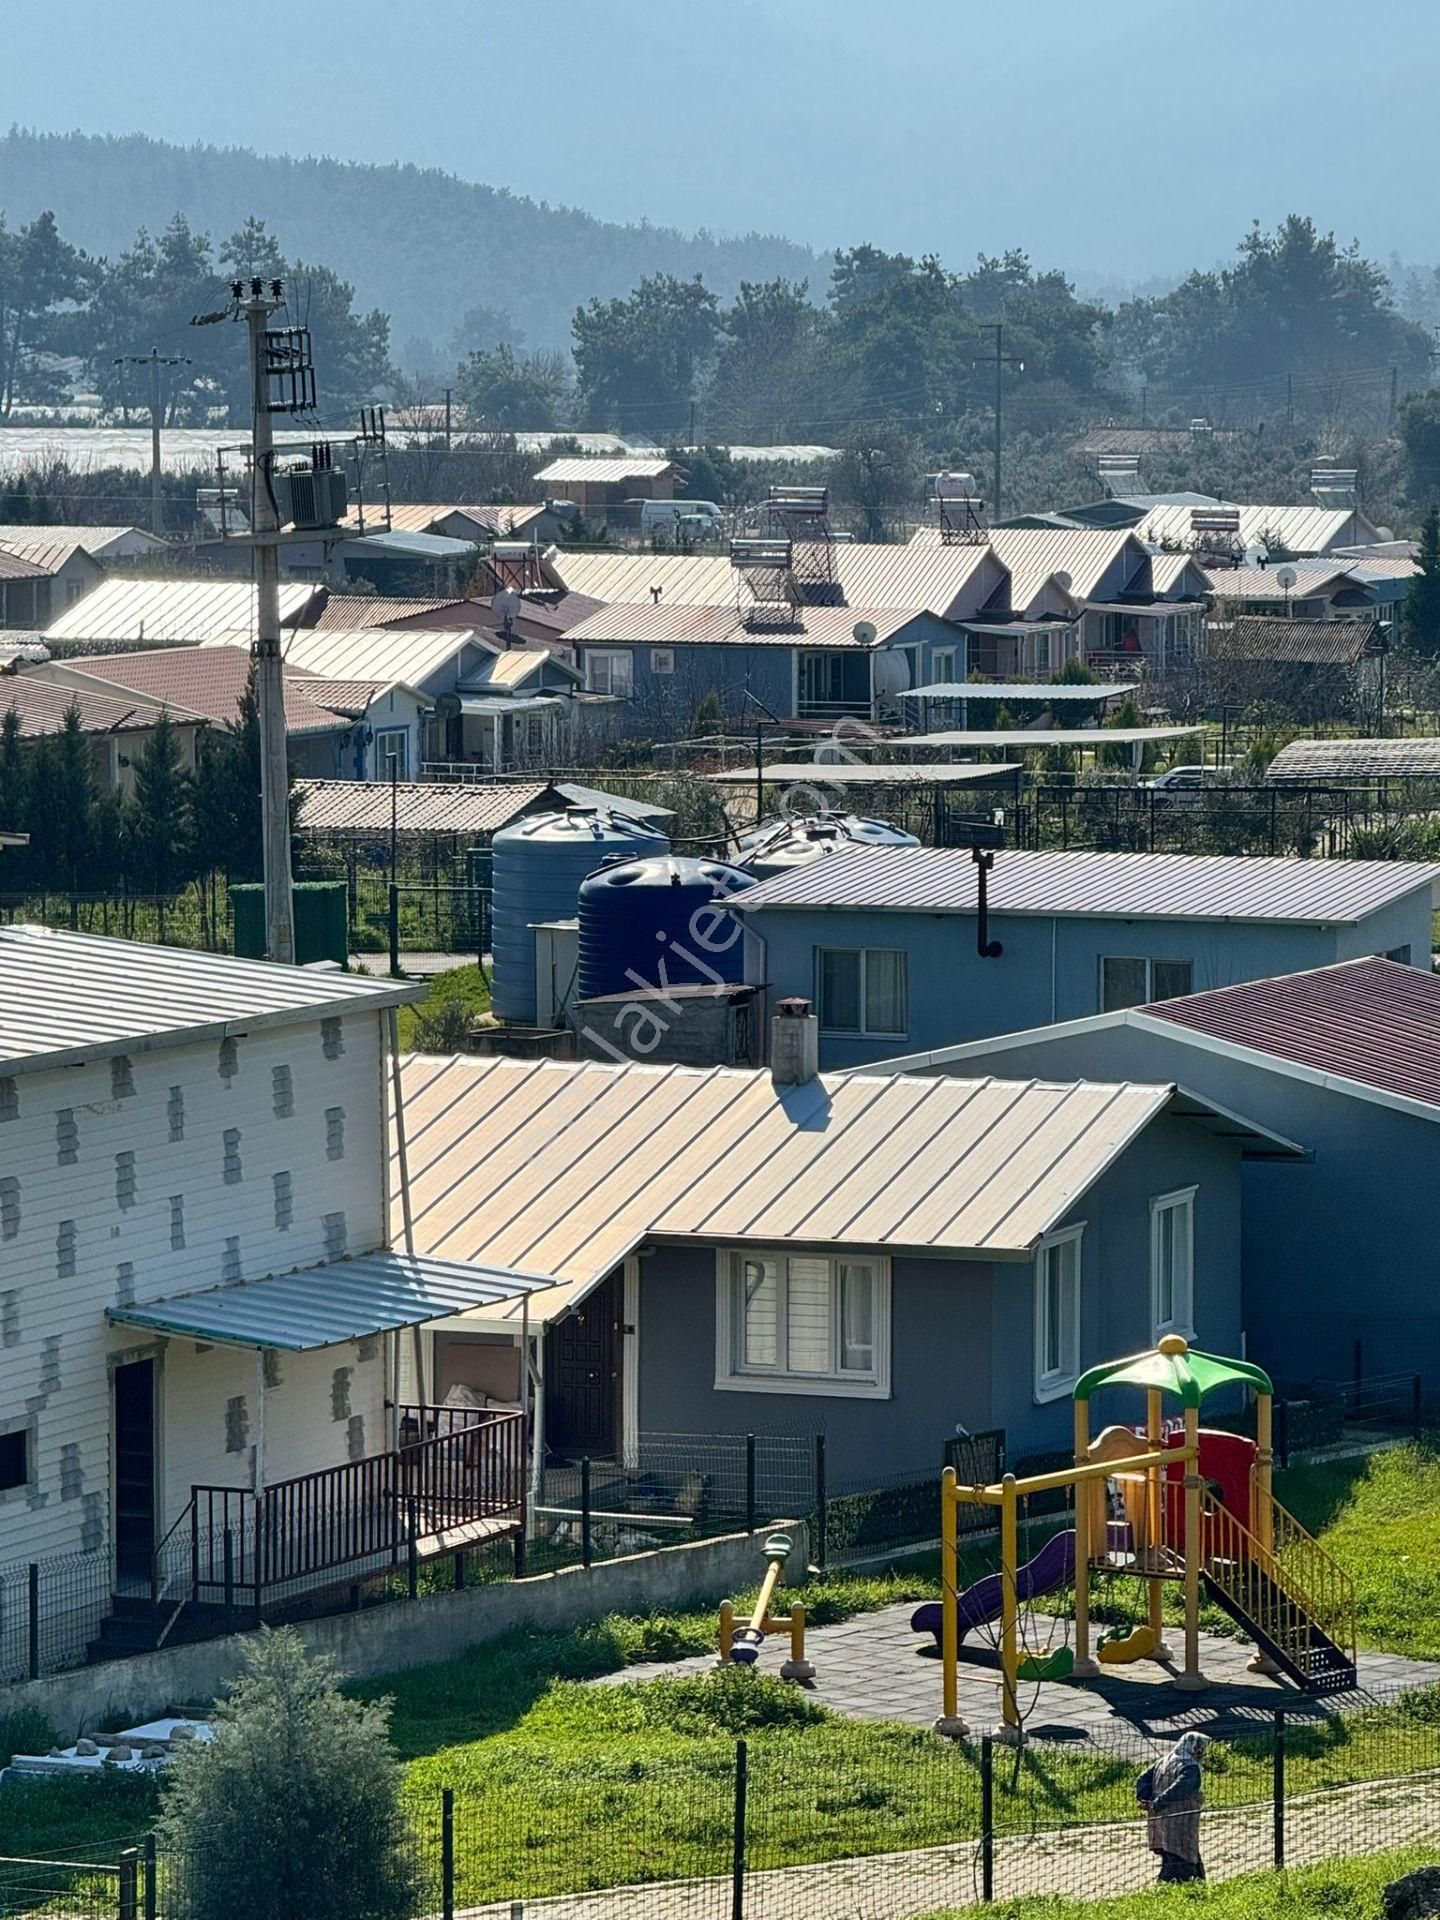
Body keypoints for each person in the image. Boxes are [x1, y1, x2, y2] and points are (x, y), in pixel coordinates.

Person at [1136, 1732, 1210, 1883]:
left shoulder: (1163, 1761)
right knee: (1183, 1851)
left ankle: (1196, 1880)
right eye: (1199, 1748)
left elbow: (1142, 1779)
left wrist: (1147, 1799)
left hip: (1159, 1816)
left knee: (1171, 1850)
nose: (1200, 1752)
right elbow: (1181, 1787)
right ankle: (1183, 1882)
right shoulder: (1190, 1767)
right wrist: (1158, 1802)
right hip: (1181, 1817)